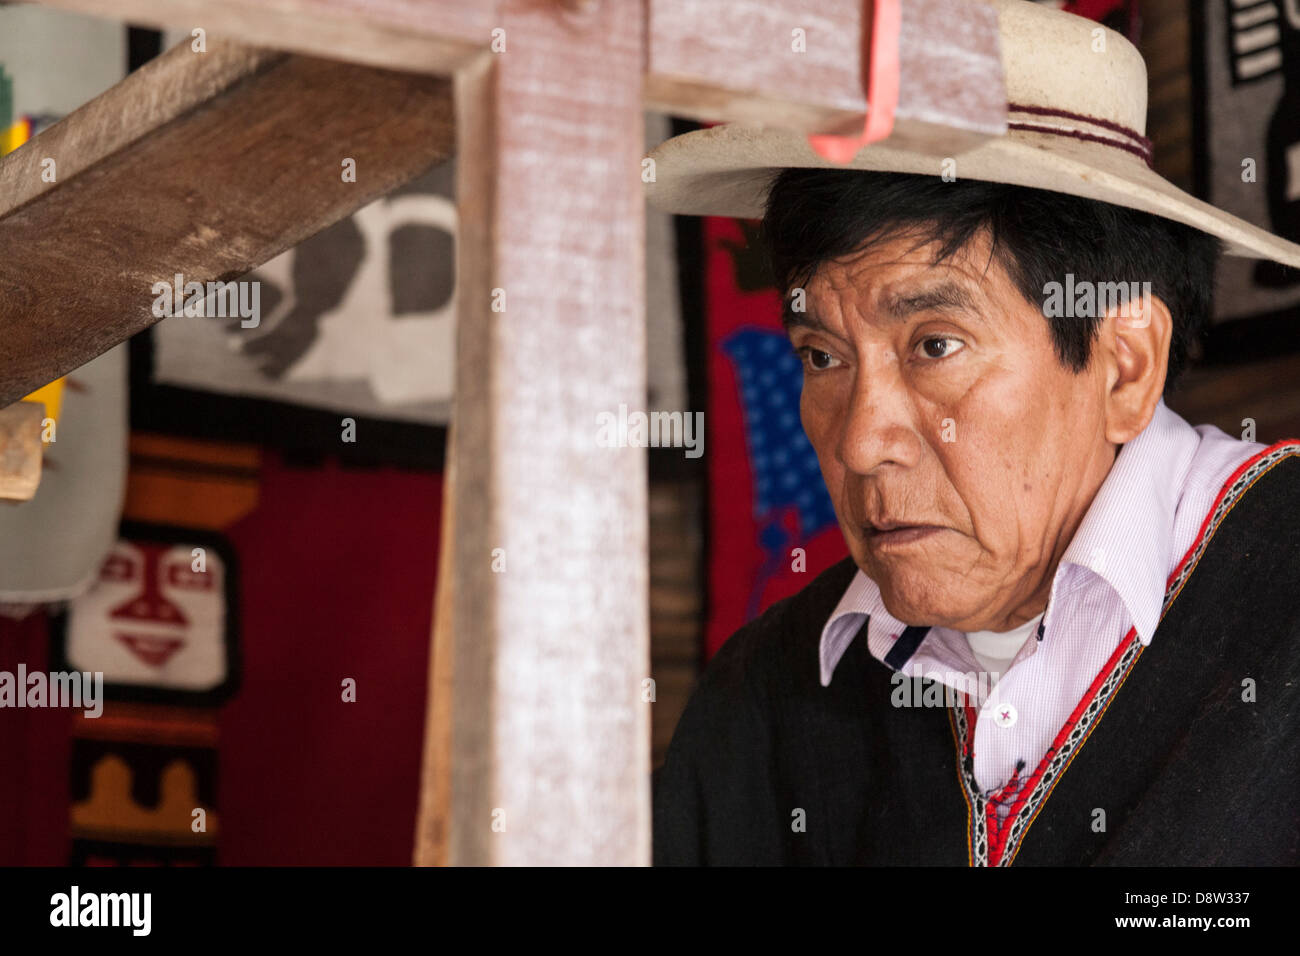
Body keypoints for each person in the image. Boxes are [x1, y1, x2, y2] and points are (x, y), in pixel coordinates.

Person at [645, 0, 1300, 866]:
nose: (859, 444)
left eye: (935, 345)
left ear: (1124, 363)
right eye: (822, 355)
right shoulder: (763, 703)